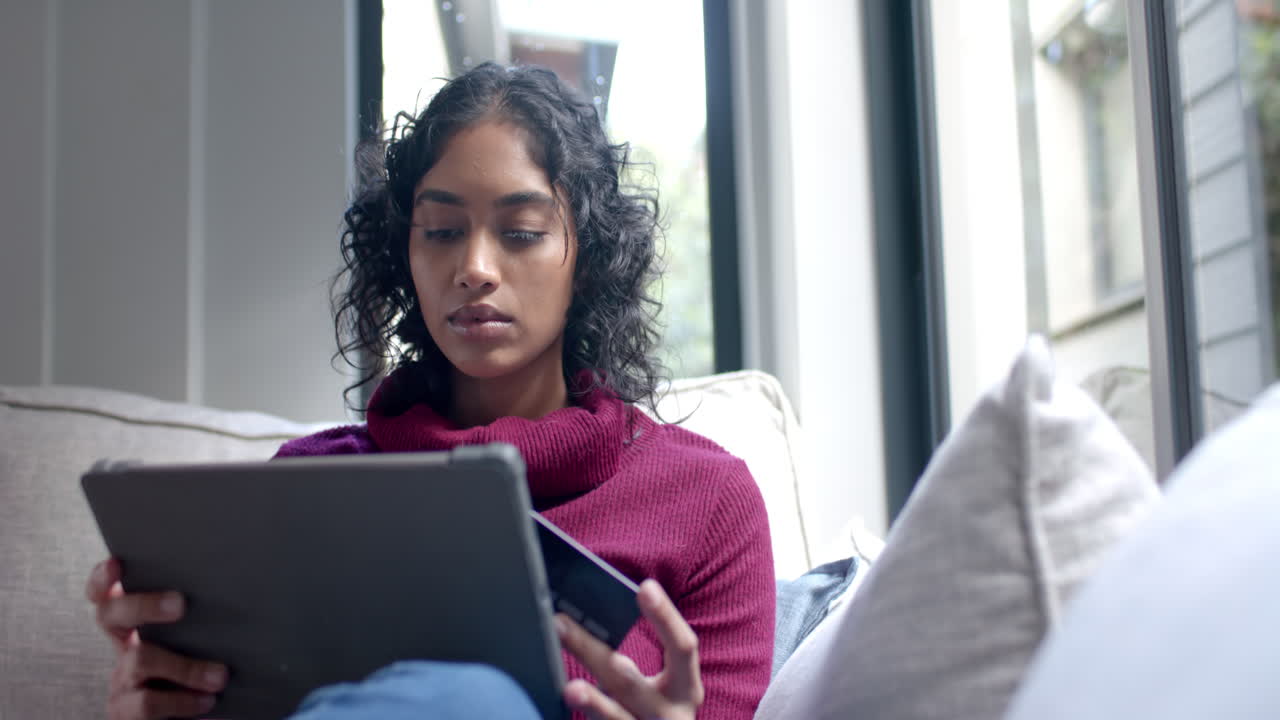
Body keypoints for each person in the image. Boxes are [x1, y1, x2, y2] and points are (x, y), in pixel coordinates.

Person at [84, 62, 775, 720]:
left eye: (522, 233)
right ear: (404, 254)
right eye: (441, 232)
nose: (474, 267)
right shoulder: (307, 486)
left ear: (588, 259)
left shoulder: (706, 500)